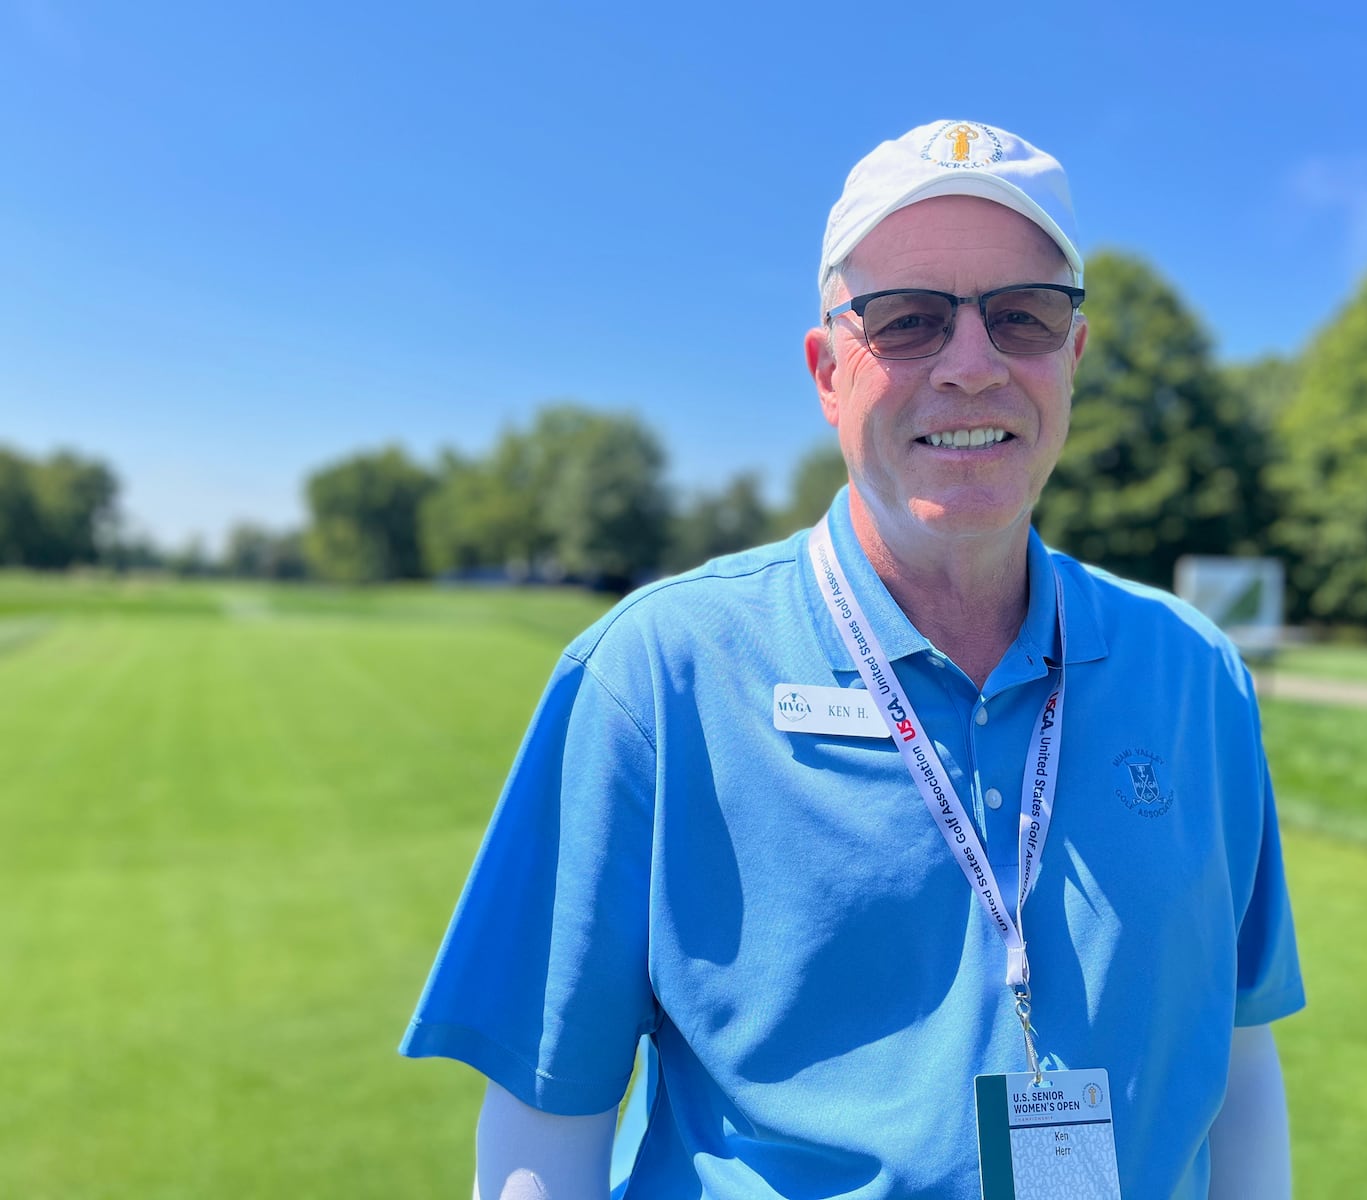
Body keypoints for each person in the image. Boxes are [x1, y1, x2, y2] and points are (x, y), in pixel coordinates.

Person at [401, 118, 1305, 1200]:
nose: (971, 366)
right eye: (908, 321)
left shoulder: (1196, 678)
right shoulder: (657, 673)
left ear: (1072, 356)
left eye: (1020, 315)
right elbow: (550, 1125)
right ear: (829, 372)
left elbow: (1240, 1058)